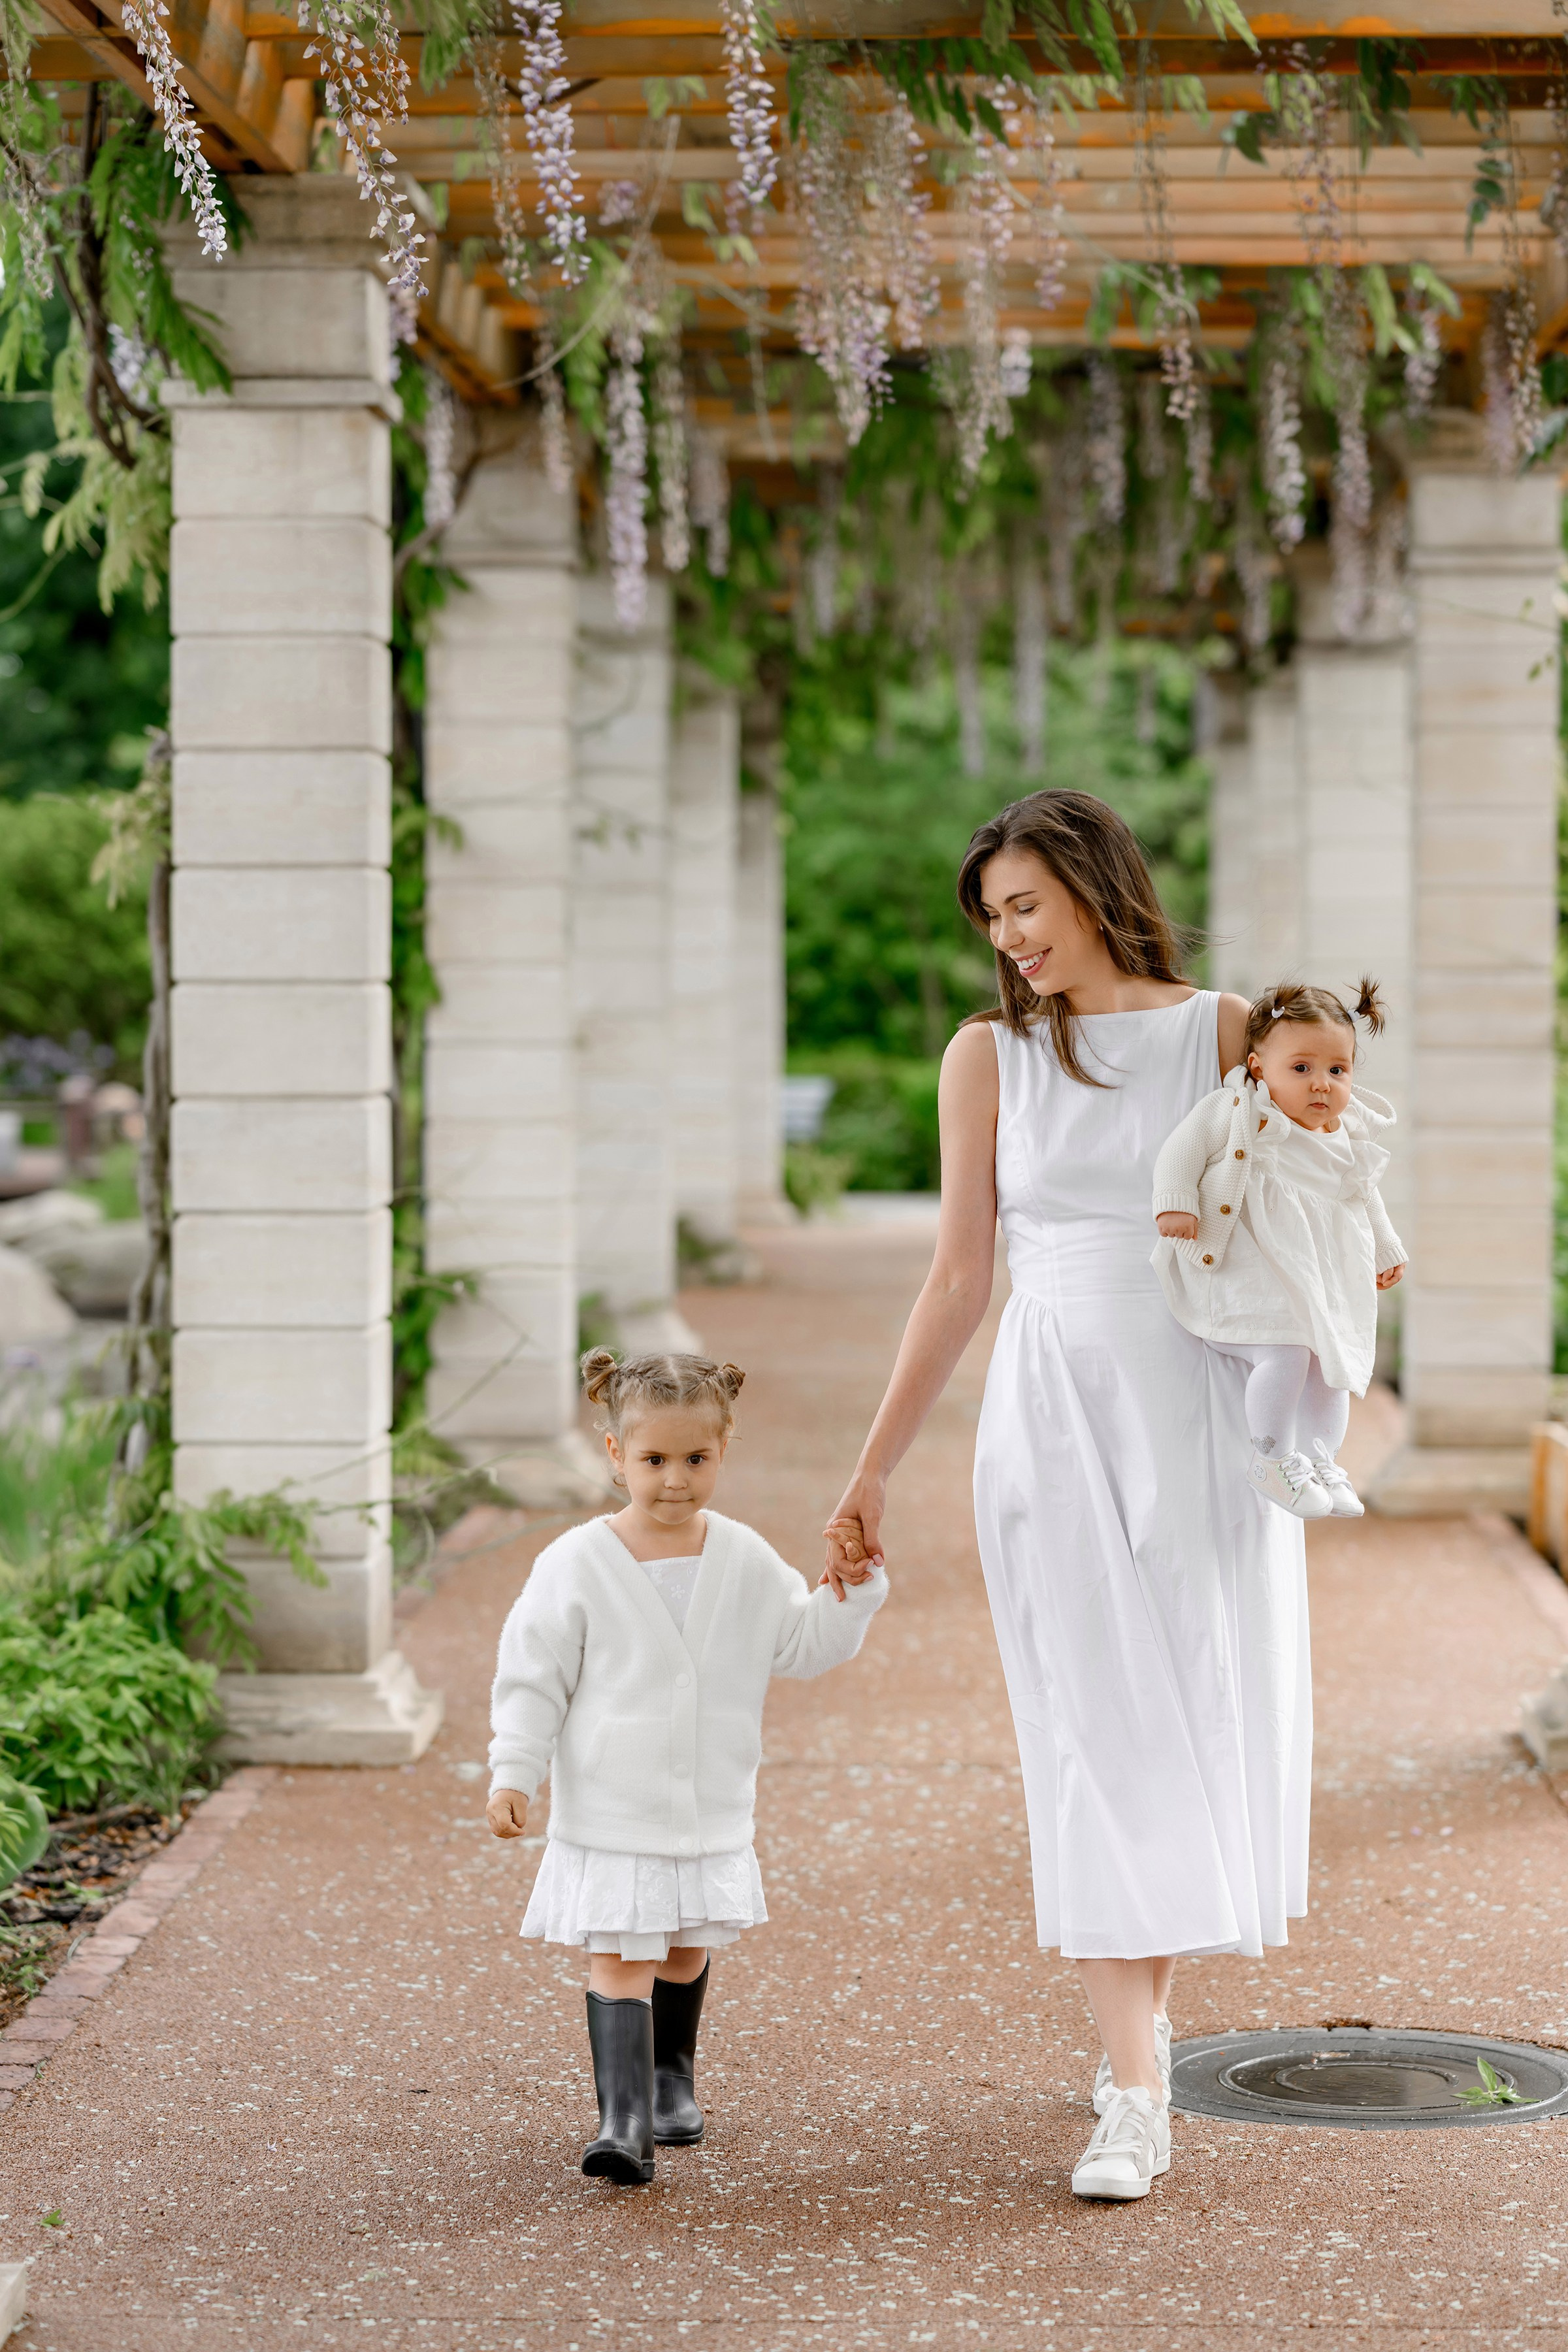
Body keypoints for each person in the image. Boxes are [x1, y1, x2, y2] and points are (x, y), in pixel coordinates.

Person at [824, 789, 1311, 2204]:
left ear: (1096, 883)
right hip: (1049, 1406)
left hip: (1198, 1405)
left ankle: (1137, 2040)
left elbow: (1284, 1222)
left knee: (1187, 1708)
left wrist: (1320, 1381)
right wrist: (873, 1465)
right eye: (993, 919)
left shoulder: (1222, 1031)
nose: (1011, 938)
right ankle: (1135, 2087)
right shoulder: (987, 1056)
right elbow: (958, 1278)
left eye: (1025, 903)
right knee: (1096, 1721)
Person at [488, 1347, 887, 2186]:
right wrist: (514, 1772)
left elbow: (803, 1645)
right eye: (654, 1460)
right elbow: (534, 1674)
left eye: (696, 1459)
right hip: (613, 1805)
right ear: (615, 1456)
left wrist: (849, 1591)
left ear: (724, 1451)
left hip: (707, 1805)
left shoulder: (742, 1560)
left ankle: (672, 2078)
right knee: (623, 1948)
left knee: (681, 1949)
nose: (675, 1480)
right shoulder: (576, 1564)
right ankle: (623, 2120)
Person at [1151, 977, 1407, 1523]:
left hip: (1312, 1275)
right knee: (1288, 1352)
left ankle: (1320, 1461)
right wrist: (1176, 1202)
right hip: (1251, 1271)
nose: (1322, 1085)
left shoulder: (1343, 1134)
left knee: (1329, 1360)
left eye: (1337, 1070)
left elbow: (1364, 1195)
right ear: (1258, 1066)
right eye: (1302, 1068)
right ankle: (1270, 1457)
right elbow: (1183, 1149)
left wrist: (1386, 1248)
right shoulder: (1240, 1111)